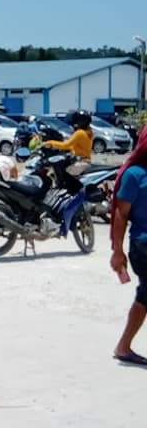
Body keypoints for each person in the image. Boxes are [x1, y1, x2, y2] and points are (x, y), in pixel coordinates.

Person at [110, 126, 147, 365]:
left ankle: (123, 346)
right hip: (143, 246)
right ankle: (123, 347)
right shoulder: (135, 175)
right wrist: (118, 251)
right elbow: (120, 214)